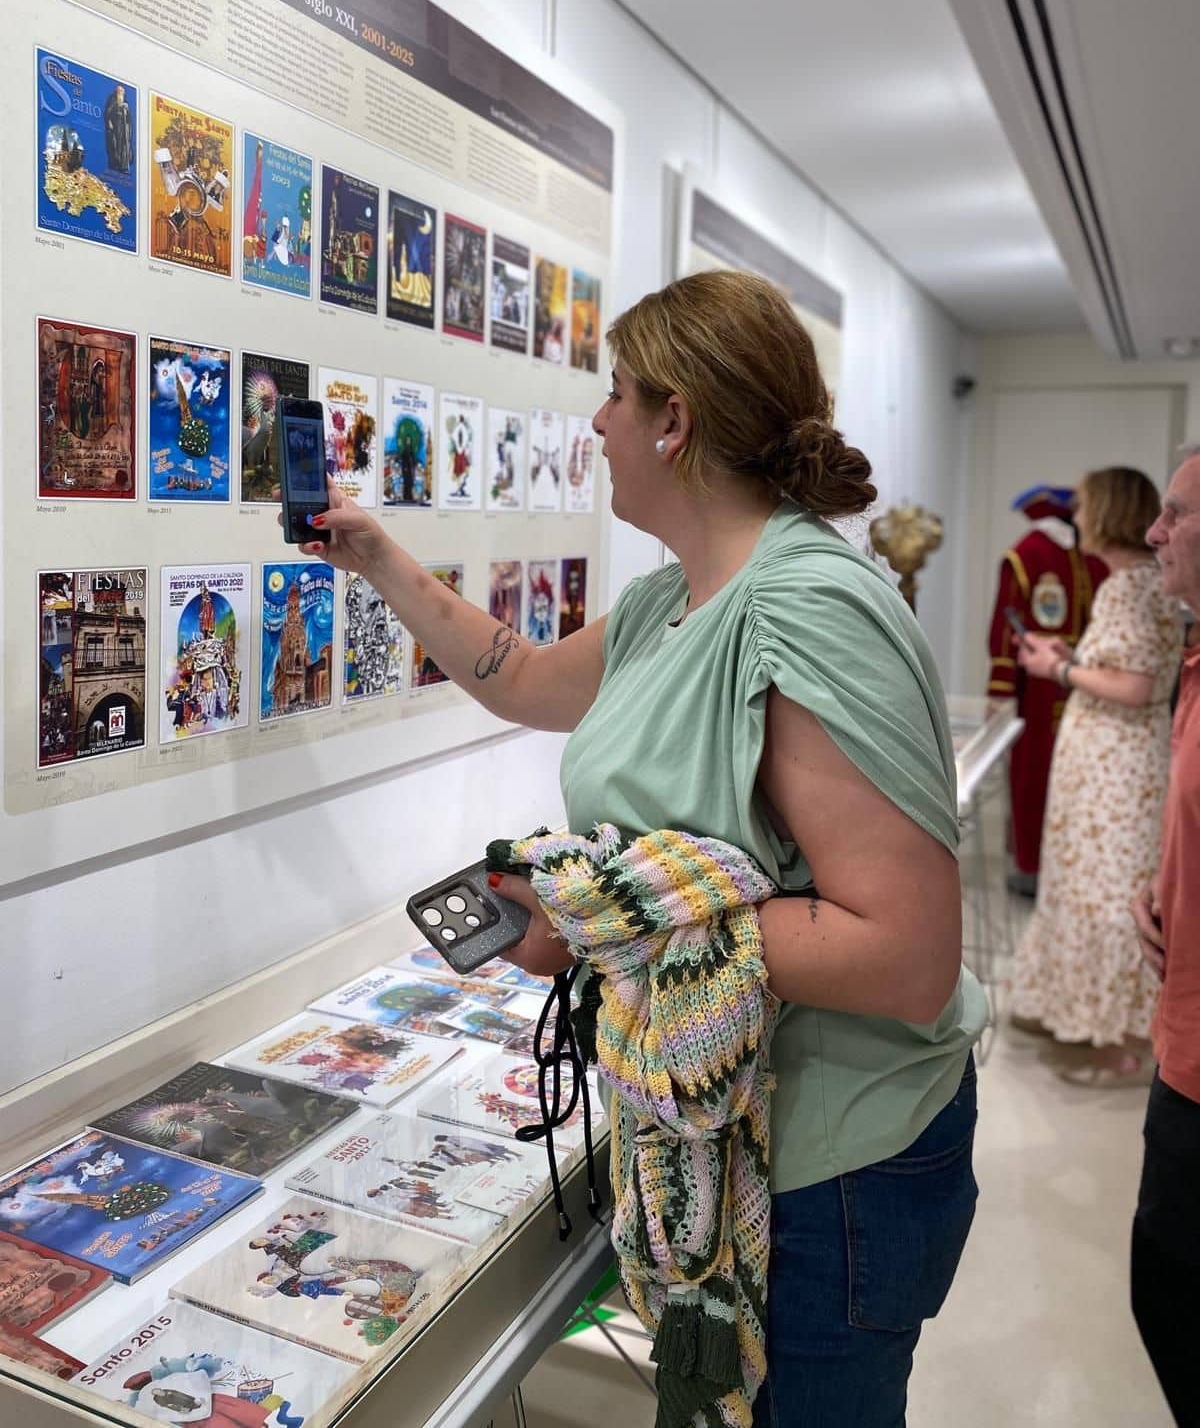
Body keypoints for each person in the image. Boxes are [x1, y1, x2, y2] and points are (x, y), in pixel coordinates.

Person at [297, 269, 986, 1427]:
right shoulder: (681, 596)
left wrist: (604, 923)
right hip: (729, 1125)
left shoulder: (807, 604)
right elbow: (518, 674)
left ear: (675, 422)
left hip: (831, 1168)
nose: (599, 421)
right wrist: (375, 556)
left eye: (617, 393)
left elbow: (905, 951)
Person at [1008, 468, 1181, 1082]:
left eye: (1084, 506)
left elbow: (1133, 686)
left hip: (1116, 764)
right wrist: (1071, 658)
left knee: (1107, 887)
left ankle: (1116, 1040)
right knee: (1095, 880)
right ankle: (1085, 1014)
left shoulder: (1130, 586)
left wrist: (1060, 672)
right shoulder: (1138, 581)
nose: (1075, 517)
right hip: (1114, 761)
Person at [1130, 447, 1200, 1425]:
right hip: (1179, 1035)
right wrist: (1167, 897)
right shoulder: (1194, 661)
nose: (1155, 529)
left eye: (1177, 514)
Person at [986, 485, 1107, 895]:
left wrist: (1000, 691)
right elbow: (1006, 631)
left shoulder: (1075, 554)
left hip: (1075, 684)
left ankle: (1054, 866)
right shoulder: (1031, 555)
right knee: (1033, 776)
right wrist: (1003, 687)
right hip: (1043, 689)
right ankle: (1035, 865)